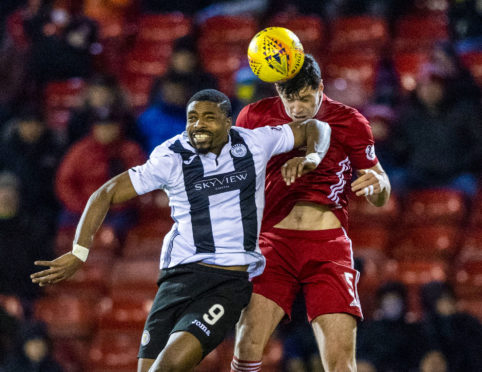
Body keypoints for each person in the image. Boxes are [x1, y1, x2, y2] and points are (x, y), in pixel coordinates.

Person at [31, 89, 331, 372]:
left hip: (227, 281)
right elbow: (105, 192)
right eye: (192, 118)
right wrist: (79, 252)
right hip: (177, 280)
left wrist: (312, 157)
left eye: (209, 118)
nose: (198, 125)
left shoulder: (254, 143)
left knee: (169, 365)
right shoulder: (171, 156)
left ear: (228, 122)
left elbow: (315, 128)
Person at [231, 54, 391, 372]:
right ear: (278, 89)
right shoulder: (253, 116)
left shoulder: (350, 121)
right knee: (247, 342)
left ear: (320, 87)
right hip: (274, 243)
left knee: (340, 357)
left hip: (327, 244)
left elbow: (381, 190)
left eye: (305, 97)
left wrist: (377, 186)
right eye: (289, 97)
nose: (298, 107)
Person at [55, 110, 145, 242]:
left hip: (118, 210)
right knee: (65, 229)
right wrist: (82, 207)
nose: (105, 131)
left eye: (110, 127)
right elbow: (64, 182)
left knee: (119, 231)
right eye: (101, 127)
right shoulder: (80, 151)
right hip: (83, 207)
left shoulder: (130, 150)